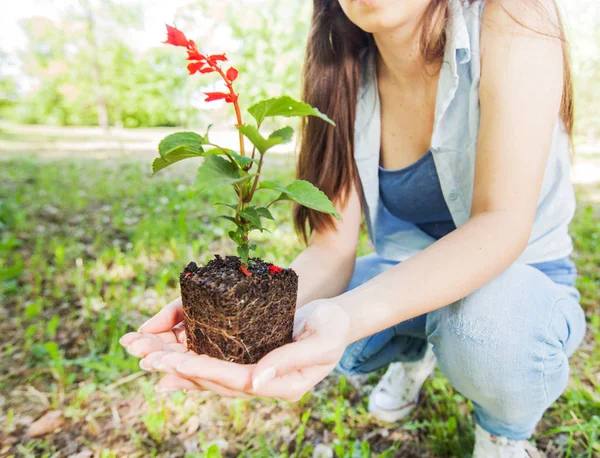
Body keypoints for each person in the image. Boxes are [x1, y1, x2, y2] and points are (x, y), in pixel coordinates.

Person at [119, 0, 587, 456]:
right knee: (306, 317)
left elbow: (500, 226)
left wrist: (348, 317)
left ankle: (503, 433)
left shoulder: (515, 15)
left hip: (518, 286)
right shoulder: (342, 71)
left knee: (489, 322)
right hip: (404, 269)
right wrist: (239, 317)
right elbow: (331, 249)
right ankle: (416, 352)